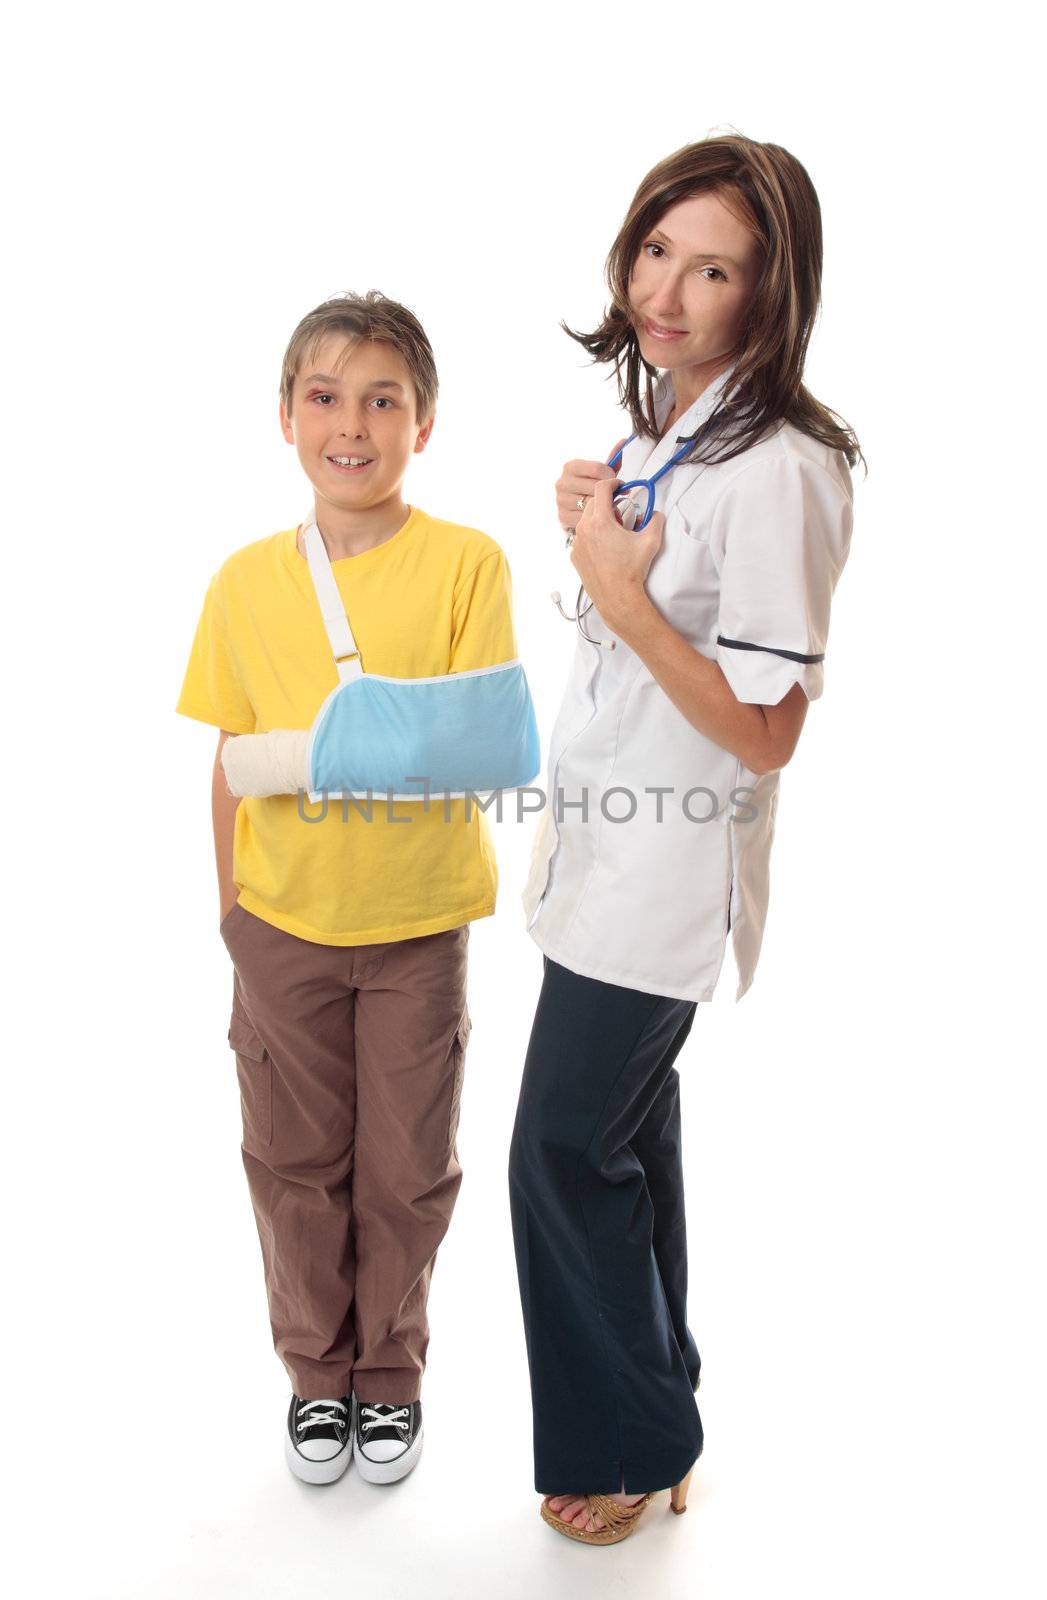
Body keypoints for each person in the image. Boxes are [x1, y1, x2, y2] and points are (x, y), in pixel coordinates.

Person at [508, 134, 864, 1546]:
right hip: (602, 849)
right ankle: (656, 1419)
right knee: (622, 1140)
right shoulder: (667, 417)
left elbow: (769, 728)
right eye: (658, 247)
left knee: (556, 1150)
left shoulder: (781, 465)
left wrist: (621, 590)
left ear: (767, 293)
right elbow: (646, 613)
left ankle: (629, 1439)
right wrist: (606, 532)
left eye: (712, 267)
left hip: (662, 876)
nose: (667, 288)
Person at [176, 291, 526, 1489]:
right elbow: (227, 760)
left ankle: (393, 1374)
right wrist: (230, 910)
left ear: (425, 423)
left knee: (408, 1165)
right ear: (285, 417)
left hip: (420, 924)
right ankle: (314, 1375)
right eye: (325, 396)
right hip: (281, 923)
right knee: (293, 1162)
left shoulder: (467, 564)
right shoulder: (242, 583)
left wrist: (338, 748)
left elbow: (484, 743)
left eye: (385, 399)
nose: (353, 423)